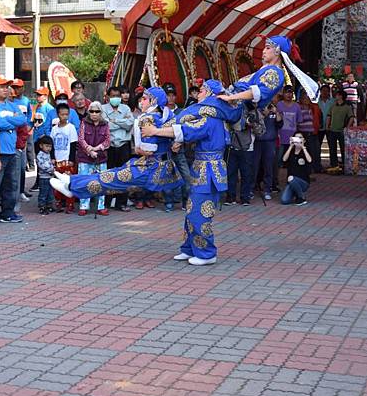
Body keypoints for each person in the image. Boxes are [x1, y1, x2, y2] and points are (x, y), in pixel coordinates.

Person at [140, 79, 242, 266]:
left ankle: (206, 253)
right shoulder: (211, 116)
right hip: (201, 168)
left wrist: (155, 130)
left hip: (209, 171)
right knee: (191, 211)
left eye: (202, 90)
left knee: (200, 213)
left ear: (211, 95)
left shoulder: (210, 118)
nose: (199, 93)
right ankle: (190, 248)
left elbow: (187, 130)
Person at [50, 87, 183, 210]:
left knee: (109, 180)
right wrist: (173, 143)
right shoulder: (167, 117)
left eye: (144, 99)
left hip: (151, 168)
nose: (141, 102)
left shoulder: (147, 119)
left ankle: (73, 186)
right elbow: (177, 134)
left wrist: (147, 143)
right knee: (110, 180)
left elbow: (148, 148)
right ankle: (73, 184)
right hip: (156, 167)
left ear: (154, 101)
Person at [0, 75, 27, 222]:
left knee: (11, 184)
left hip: (12, 150)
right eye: (2, 86)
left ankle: (7, 213)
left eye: (6, 86)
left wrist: (6, 122)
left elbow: (23, 120)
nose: (6, 89)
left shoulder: (11, 105)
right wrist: (12, 122)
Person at [102, 86, 134, 212]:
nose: (115, 98)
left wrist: (114, 120)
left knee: (124, 174)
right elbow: (106, 125)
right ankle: (107, 202)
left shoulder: (126, 108)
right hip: (110, 146)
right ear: (108, 96)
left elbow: (129, 124)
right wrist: (121, 122)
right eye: (113, 95)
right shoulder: (103, 109)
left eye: (117, 96)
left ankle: (121, 203)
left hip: (123, 145)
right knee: (109, 174)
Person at [77, 101, 110, 216]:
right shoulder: (84, 122)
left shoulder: (105, 124)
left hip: (100, 157)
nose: (94, 114)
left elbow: (107, 141)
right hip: (85, 157)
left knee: (102, 182)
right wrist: (89, 150)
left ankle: (100, 206)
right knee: (84, 181)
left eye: (97, 111)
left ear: (101, 112)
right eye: (92, 111)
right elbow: (81, 139)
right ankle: (83, 206)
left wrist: (96, 149)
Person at [162, 82, 191, 212]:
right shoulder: (160, 112)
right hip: (164, 150)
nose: (170, 98)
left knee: (186, 176)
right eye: (167, 95)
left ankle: (186, 201)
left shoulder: (182, 112)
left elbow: (188, 130)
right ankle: (169, 201)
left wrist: (179, 143)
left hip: (180, 150)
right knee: (166, 177)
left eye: (173, 95)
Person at [225, 104, 256, 206]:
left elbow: (261, 130)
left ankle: (245, 198)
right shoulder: (232, 111)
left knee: (246, 174)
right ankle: (230, 197)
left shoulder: (252, 112)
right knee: (231, 173)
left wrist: (252, 124)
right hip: (232, 145)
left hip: (246, 148)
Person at [252, 101, 283, 202]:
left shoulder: (274, 112)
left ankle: (267, 190)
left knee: (268, 166)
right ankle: (251, 189)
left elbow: (280, 124)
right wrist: (262, 114)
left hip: (270, 142)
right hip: (257, 142)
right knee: (254, 166)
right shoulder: (256, 111)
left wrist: (276, 112)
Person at [51, 103, 78, 213]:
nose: (64, 117)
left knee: (68, 183)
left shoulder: (71, 128)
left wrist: (72, 160)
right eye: (62, 114)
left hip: (67, 160)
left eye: (66, 114)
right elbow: (51, 144)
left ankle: (70, 204)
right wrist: (52, 157)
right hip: (57, 160)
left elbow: (73, 144)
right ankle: (59, 203)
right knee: (58, 183)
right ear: (58, 115)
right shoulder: (54, 129)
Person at [11, 79, 33, 199]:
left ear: (23, 88)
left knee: (22, 166)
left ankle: (21, 191)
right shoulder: (10, 101)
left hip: (23, 135)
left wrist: (29, 126)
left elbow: (30, 115)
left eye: (18, 87)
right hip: (12, 135)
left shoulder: (26, 101)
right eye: (14, 87)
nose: (16, 89)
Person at [30, 87, 54, 192]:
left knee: (45, 162)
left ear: (45, 96)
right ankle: (38, 182)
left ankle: (42, 183)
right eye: (37, 95)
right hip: (36, 139)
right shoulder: (36, 107)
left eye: (40, 95)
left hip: (44, 140)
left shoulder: (49, 108)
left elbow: (50, 124)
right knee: (39, 161)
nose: (38, 97)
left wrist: (46, 137)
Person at [281, 132, 312, 205]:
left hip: (303, 181)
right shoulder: (291, 150)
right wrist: (290, 146)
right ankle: (296, 194)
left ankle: (301, 198)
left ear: (304, 140)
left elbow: (310, 160)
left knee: (291, 178)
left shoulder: (306, 150)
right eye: (296, 137)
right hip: (291, 181)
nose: (298, 139)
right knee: (284, 200)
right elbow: (284, 159)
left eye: (300, 137)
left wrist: (303, 148)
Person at [326, 90, 354, 170]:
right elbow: (329, 116)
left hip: (342, 131)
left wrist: (347, 127)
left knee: (343, 149)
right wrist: (327, 126)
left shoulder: (347, 107)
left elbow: (351, 117)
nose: (336, 96)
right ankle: (334, 164)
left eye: (337, 95)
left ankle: (345, 165)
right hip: (332, 130)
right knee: (332, 148)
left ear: (341, 96)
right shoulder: (333, 106)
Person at [277, 85, 303, 164]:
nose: (288, 95)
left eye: (290, 93)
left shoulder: (297, 106)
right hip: (280, 136)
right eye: (286, 93)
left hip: (293, 138)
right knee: (278, 160)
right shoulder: (279, 105)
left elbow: (299, 121)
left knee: (292, 161)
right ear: (283, 94)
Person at [297, 91, 322, 173]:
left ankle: (316, 167)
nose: (306, 100)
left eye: (308, 98)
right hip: (304, 132)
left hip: (313, 131)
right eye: (305, 98)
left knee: (316, 150)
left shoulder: (312, 107)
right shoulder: (299, 108)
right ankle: (308, 169)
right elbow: (298, 120)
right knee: (308, 151)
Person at [36, 135, 55, 214]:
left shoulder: (48, 154)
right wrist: (52, 170)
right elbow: (43, 165)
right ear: (41, 146)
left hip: (50, 177)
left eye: (50, 147)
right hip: (43, 177)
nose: (48, 148)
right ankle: (42, 206)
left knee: (50, 192)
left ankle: (49, 205)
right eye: (46, 146)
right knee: (43, 192)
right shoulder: (40, 155)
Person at [318, 84, 334, 168]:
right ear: (320, 92)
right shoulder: (316, 102)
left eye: (326, 91)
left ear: (329, 92)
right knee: (318, 146)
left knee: (331, 146)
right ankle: (317, 164)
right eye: (323, 91)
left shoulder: (333, 101)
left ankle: (333, 164)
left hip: (330, 126)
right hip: (319, 127)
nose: (324, 92)